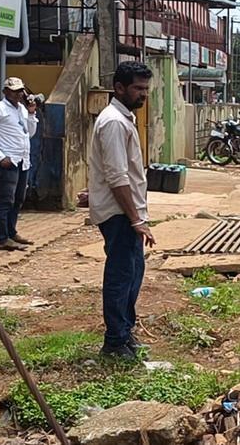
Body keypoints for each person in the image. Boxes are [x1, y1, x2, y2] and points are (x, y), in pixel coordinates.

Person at [88, 61, 156, 360]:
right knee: (120, 275)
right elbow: (118, 177)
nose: (143, 95)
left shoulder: (122, 118)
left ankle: (124, 333)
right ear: (119, 88)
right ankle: (115, 341)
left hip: (125, 212)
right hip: (120, 214)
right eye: (138, 88)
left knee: (132, 273)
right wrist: (137, 219)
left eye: (146, 88)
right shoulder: (114, 121)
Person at [0, 77, 38, 251]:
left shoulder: (21, 109)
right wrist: (0, 157)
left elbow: (30, 133)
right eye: (14, 91)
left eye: (20, 91)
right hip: (9, 161)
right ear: (5, 92)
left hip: (23, 160)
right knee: (5, 200)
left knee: (18, 199)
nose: (18, 94)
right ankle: (2, 238)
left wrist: (31, 113)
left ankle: (12, 232)